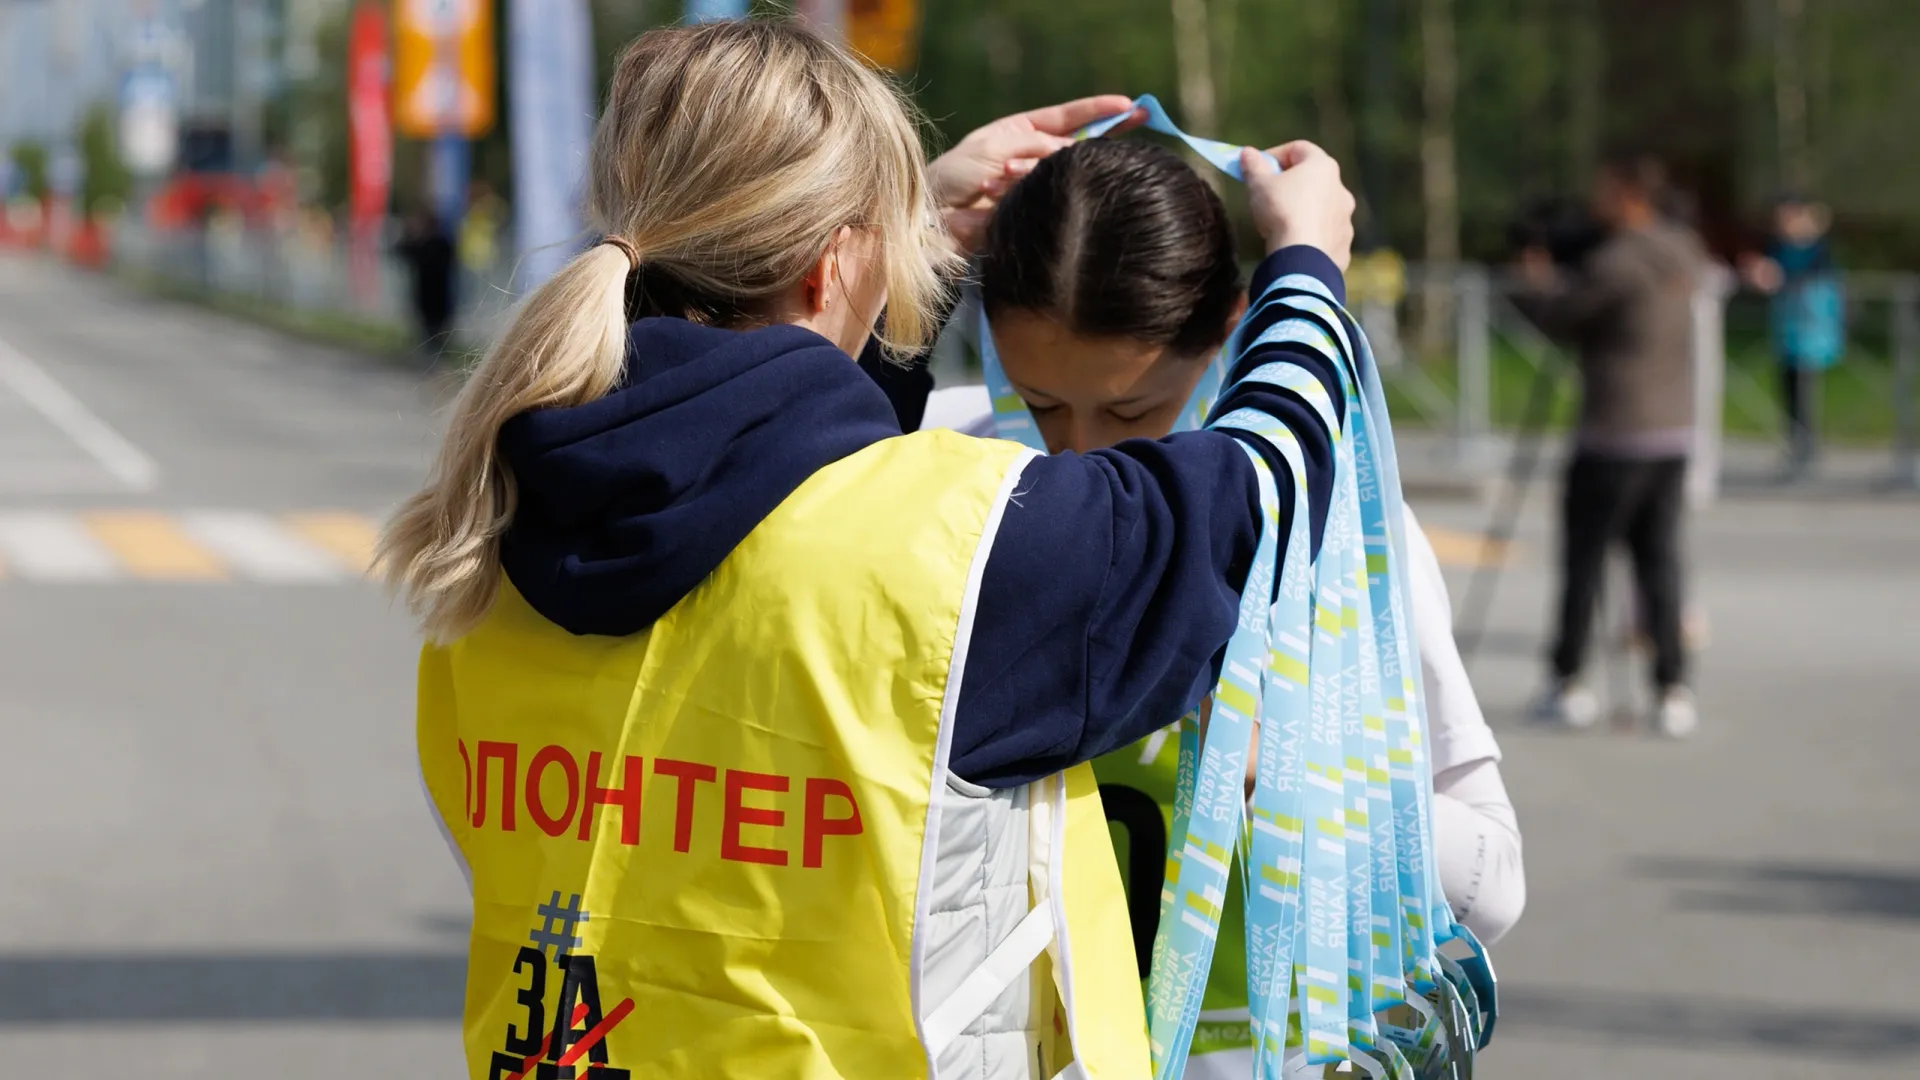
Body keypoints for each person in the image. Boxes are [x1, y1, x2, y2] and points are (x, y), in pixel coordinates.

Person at [375, 19, 1360, 1080]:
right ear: (829, 262)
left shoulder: (501, 534)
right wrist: (1307, 266)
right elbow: (1260, 487)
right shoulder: (964, 557)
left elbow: (780, 466)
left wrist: (901, 245)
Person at [912, 137, 1523, 1076]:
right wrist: (913, 225)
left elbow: (1492, 885)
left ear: (1229, 332)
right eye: (1039, 404)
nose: (1083, 460)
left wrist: (1283, 768)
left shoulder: (1326, 517)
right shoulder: (936, 459)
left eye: (1131, 414)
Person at [1515, 155, 1706, 739]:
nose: (1595, 204)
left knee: (1585, 561)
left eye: (1604, 192)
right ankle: (1672, 688)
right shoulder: (1683, 252)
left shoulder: (1617, 263)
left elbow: (1558, 316)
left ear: (1627, 195)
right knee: (1660, 562)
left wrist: (1533, 277)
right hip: (1672, 432)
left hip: (1615, 433)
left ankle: (1568, 681)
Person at [1741, 194, 1843, 475]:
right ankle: (1793, 442)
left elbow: (1816, 279)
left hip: (1811, 331)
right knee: (1787, 387)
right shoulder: (1777, 247)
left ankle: (1807, 444)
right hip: (1786, 330)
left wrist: (1780, 277)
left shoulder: (1818, 250)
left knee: (1805, 388)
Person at [394, 205, 457, 354]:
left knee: (437, 323)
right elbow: (402, 251)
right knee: (427, 323)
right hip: (426, 292)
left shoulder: (439, 241)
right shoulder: (422, 241)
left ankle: (437, 350)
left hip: (438, 291)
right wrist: (409, 235)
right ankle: (430, 350)